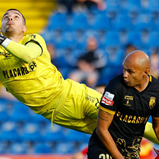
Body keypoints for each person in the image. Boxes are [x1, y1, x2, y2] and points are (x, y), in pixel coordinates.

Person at [0, 9, 158, 147]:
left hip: (72, 95)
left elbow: (27, 55)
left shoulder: (33, 39)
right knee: (119, 135)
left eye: (16, 17)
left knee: (131, 122)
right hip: (56, 115)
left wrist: (2, 39)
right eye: (6, 17)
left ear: (24, 27)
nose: (10, 18)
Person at [88, 50, 159, 159]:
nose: (125, 75)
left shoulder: (156, 91)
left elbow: (157, 127)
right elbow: (101, 129)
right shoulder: (115, 86)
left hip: (131, 151)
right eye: (124, 70)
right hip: (103, 147)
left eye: (130, 72)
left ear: (146, 72)